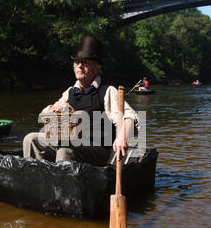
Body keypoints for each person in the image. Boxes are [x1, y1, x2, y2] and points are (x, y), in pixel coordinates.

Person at [22, 36, 139, 166]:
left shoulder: (108, 91)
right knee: (31, 139)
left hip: (98, 151)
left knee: (66, 147)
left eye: (85, 62)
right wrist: (52, 110)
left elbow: (129, 116)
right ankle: (36, 179)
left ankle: (62, 184)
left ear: (97, 67)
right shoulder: (70, 92)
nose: (79, 66)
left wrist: (122, 136)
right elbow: (45, 116)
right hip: (68, 144)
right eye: (77, 62)